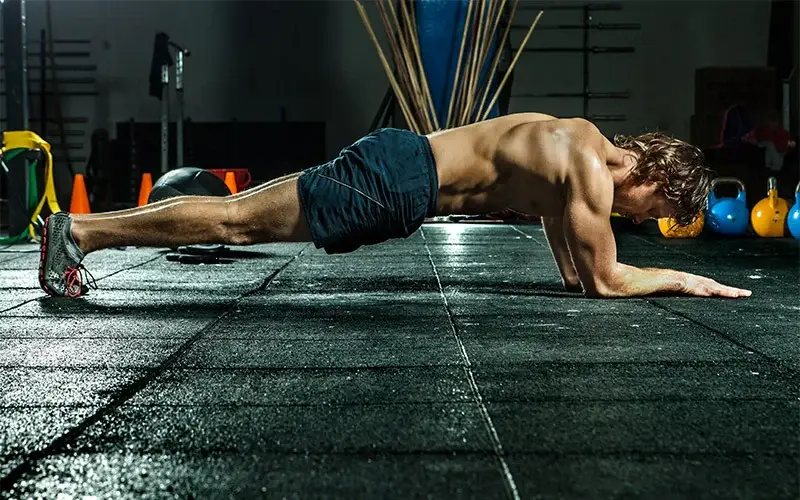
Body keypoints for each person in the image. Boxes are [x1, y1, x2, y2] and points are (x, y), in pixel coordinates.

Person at [39, 112, 751, 299]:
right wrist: (685, 278)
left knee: (242, 212)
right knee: (235, 221)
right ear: (656, 172)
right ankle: (80, 232)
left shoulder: (581, 145)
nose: (640, 218)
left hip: (397, 161)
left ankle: (83, 233)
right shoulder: (591, 174)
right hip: (394, 181)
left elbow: (573, 270)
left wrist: (591, 259)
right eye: (654, 204)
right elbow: (604, 281)